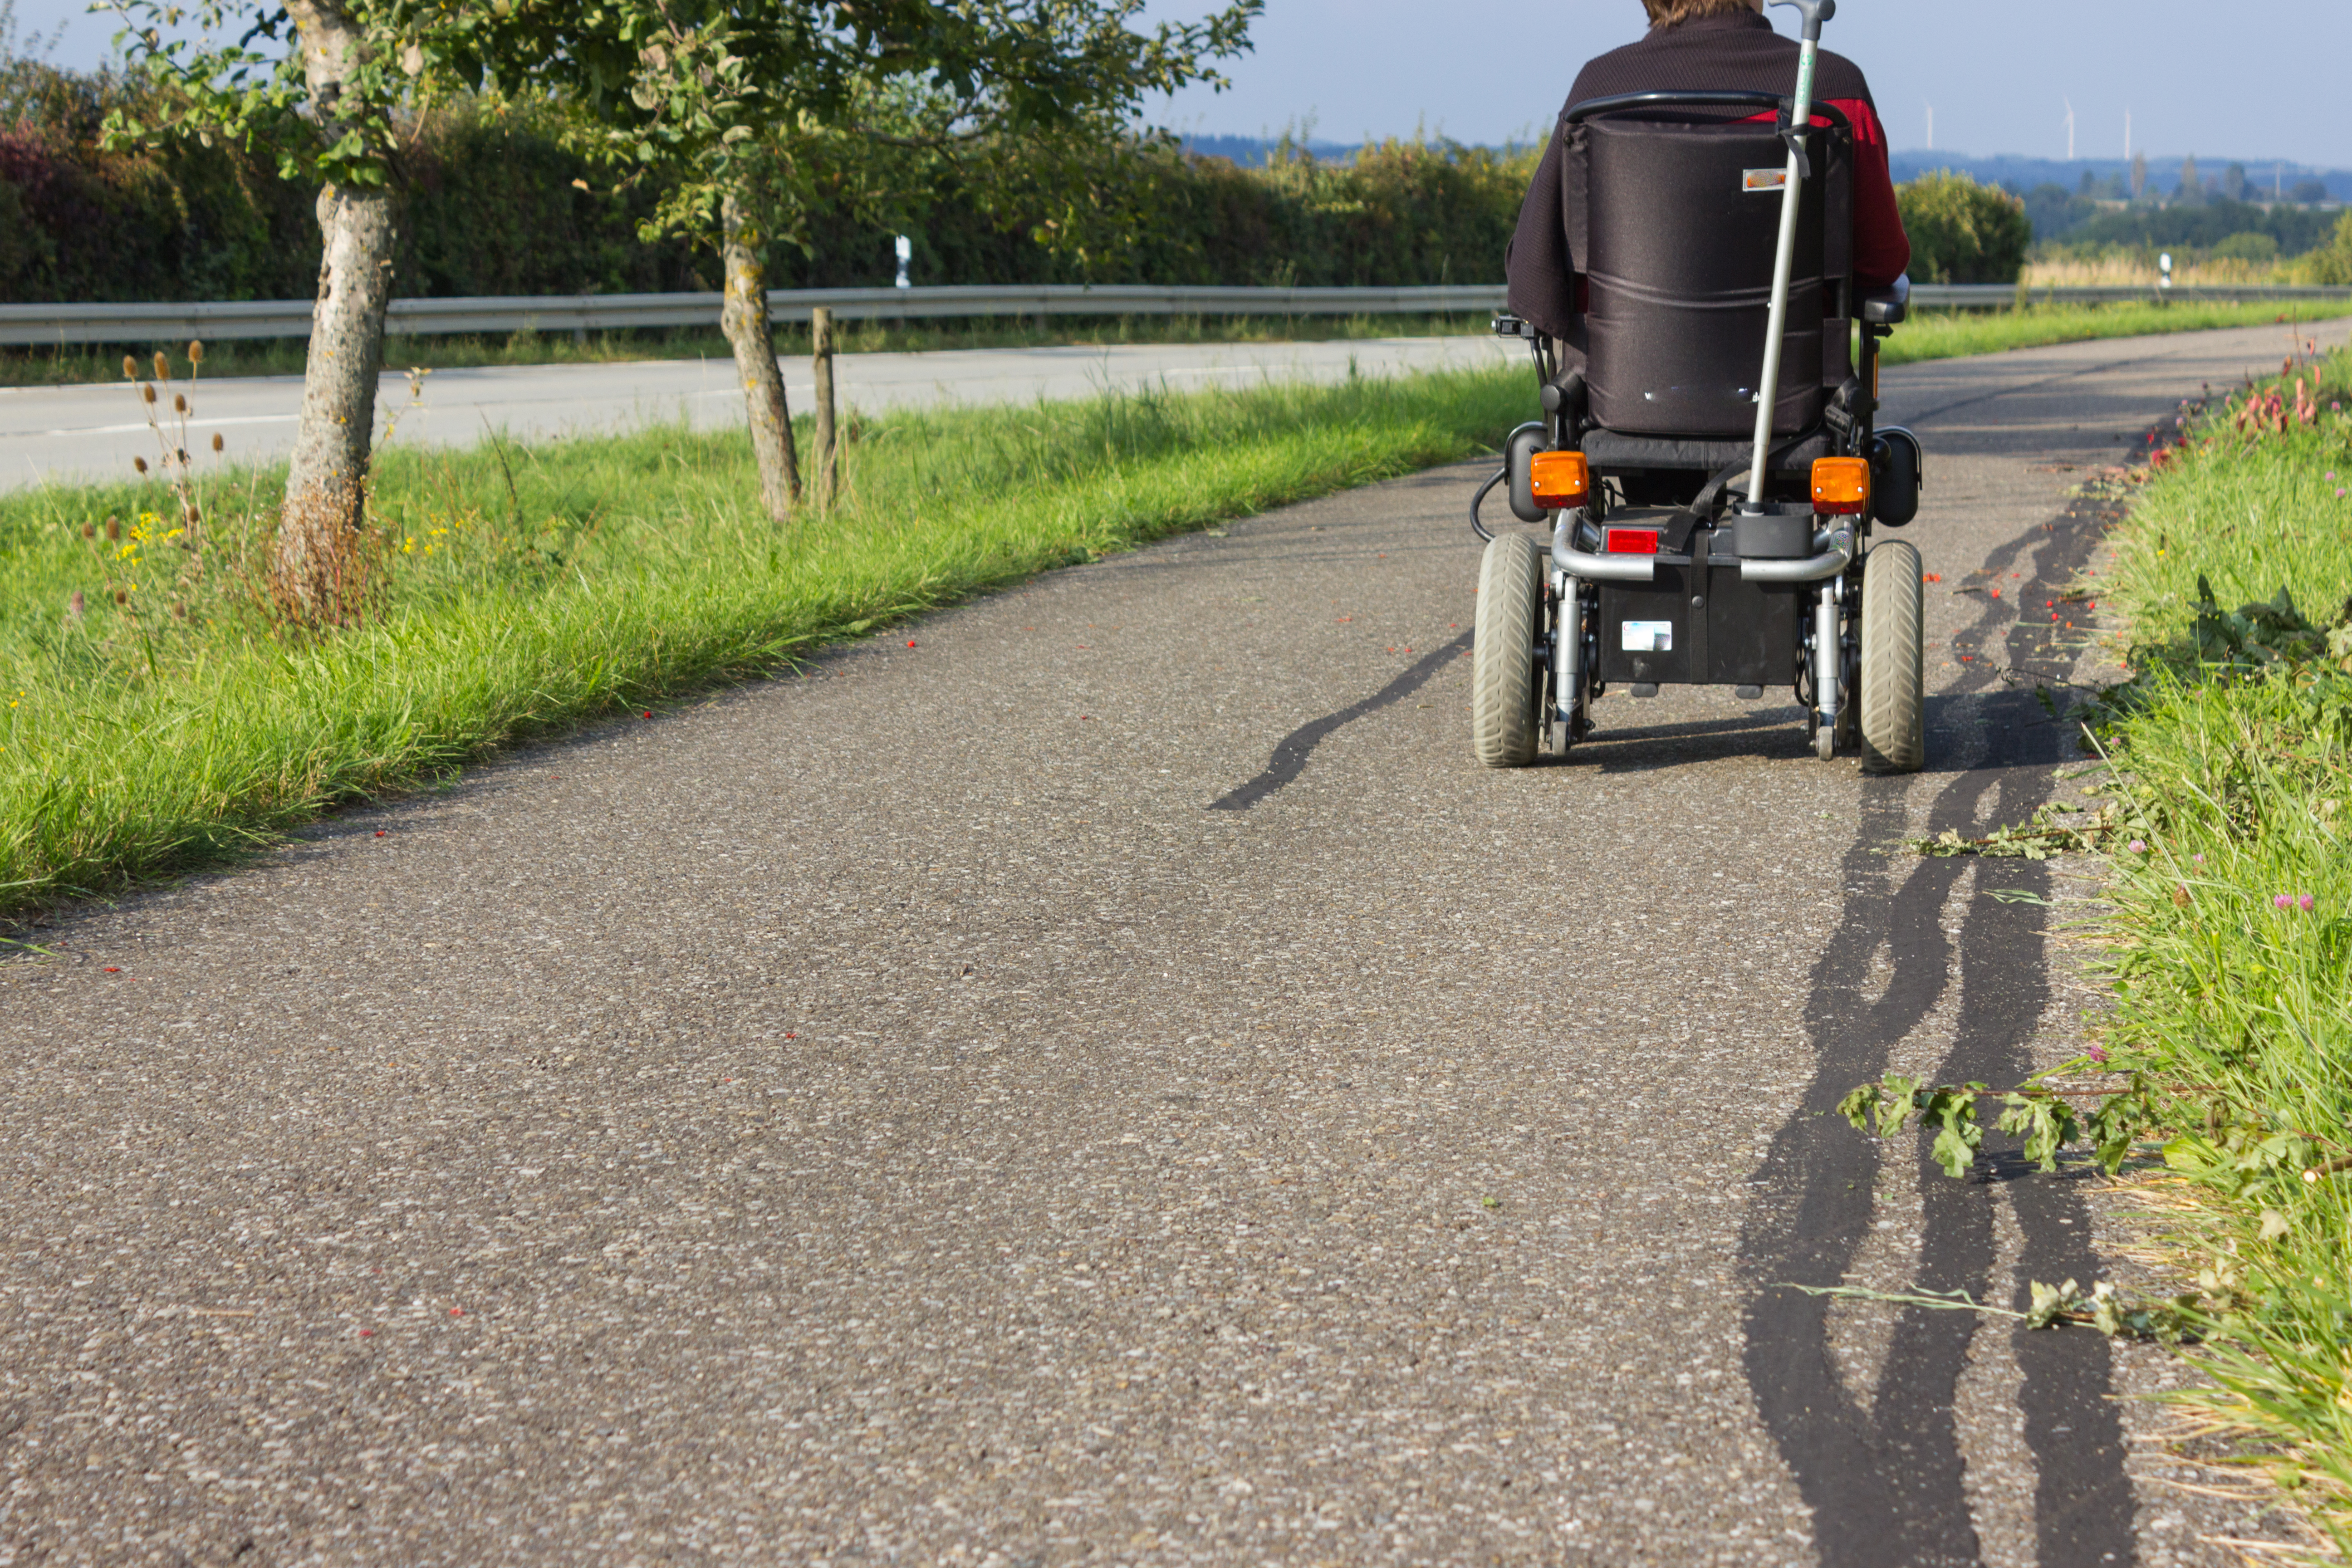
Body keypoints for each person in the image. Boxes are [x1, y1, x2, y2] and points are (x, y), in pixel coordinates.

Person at [1505, 0, 1911, 350]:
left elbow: (1536, 276)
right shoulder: (1833, 88)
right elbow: (1880, 263)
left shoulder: (1598, 93)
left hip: (1620, 400)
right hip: (1795, 401)